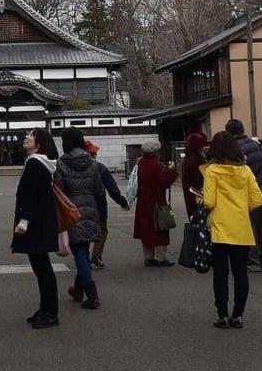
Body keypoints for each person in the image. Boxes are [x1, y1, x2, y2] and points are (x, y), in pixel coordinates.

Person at [202, 130, 262, 328]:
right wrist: (242, 208)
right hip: (241, 226)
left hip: (220, 227)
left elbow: (209, 201)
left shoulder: (212, 171)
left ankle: (222, 315)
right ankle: (238, 314)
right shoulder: (245, 171)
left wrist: (201, 200)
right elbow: (258, 199)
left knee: (220, 273)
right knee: (240, 273)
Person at [12, 128, 61, 329]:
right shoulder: (42, 164)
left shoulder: (34, 164)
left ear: (39, 143)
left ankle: (50, 312)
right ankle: (45, 309)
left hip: (35, 224)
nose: (26, 137)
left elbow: (31, 196)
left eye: (30, 135)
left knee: (42, 269)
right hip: (42, 221)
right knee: (42, 268)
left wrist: (24, 221)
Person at [56, 128, 107, 308]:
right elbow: (99, 190)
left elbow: (58, 191)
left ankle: (93, 297)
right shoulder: (92, 162)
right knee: (83, 250)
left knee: (79, 253)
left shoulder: (61, 164)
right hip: (91, 209)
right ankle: (78, 291)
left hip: (72, 211)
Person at [225, 119, 262, 272]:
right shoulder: (255, 145)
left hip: (246, 192)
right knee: (261, 225)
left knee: (249, 226)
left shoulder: (233, 148)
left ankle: (252, 260)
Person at [132, 138, 179, 266]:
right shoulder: (157, 166)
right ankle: (161, 258)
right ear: (155, 152)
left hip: (143, 201)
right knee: (160, 229)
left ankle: (148, 257)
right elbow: (163, 183)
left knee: (145, 229)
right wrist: (171, 171)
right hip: (157, 201)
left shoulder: (140, 164)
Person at [84, 141, 129, 269]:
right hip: (98, 205)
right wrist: (122, 201)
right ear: (94, 154)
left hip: (78, 205)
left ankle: (84, 258)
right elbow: (112, 188)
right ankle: (96, 254)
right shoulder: (100, 168)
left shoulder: (71, 166)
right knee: (101, 230)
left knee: (83, 231)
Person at [180, 132, 208, 220]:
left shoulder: (189, 158)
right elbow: (196, 183)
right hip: (197, 197)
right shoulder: (195, 160)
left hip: (191, 195)